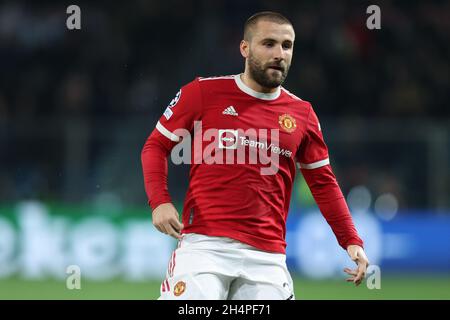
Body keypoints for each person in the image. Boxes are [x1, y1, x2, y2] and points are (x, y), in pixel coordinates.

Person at [141, 11, 369, 300]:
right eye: (269, 43)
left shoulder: (302, 114)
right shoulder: (202, 92)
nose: (279, 53)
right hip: (205, 247)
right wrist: (159, 201)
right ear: (245, 48)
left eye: (287, 46)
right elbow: (156, 146)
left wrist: (350, 239)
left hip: (268, 257)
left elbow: (323, 183)